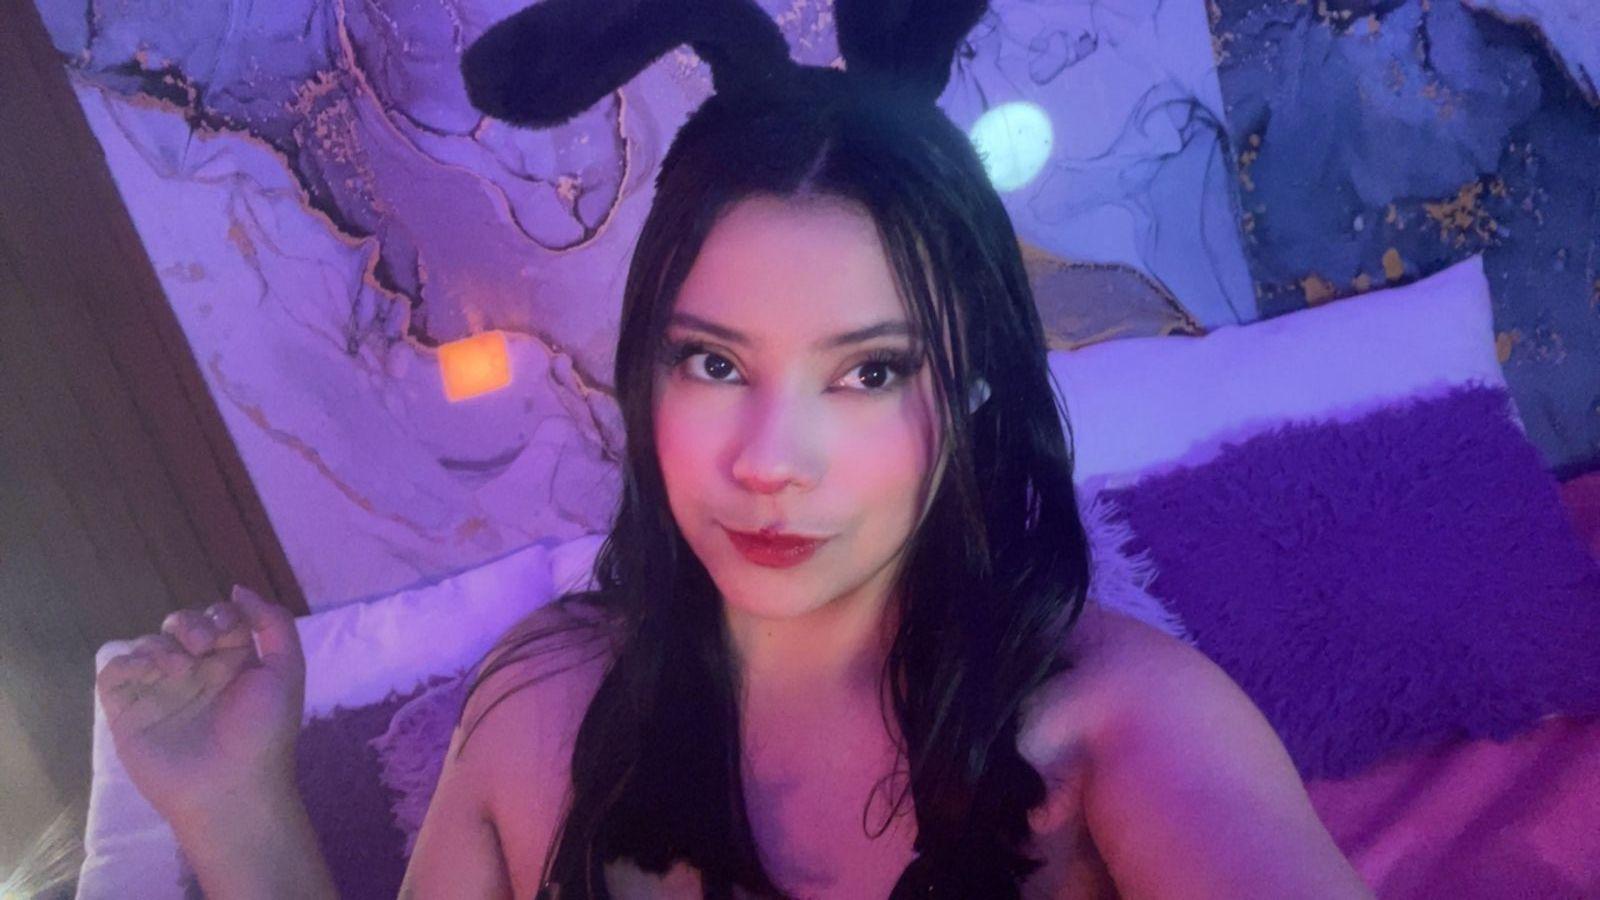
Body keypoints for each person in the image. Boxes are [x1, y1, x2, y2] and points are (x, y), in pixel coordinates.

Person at [95, 0, 1374, 896]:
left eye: (869, 372)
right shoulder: (542, 705)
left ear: (977, 388)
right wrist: (234, 808)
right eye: (714, 363)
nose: (770, 460)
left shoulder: (1129, 733)